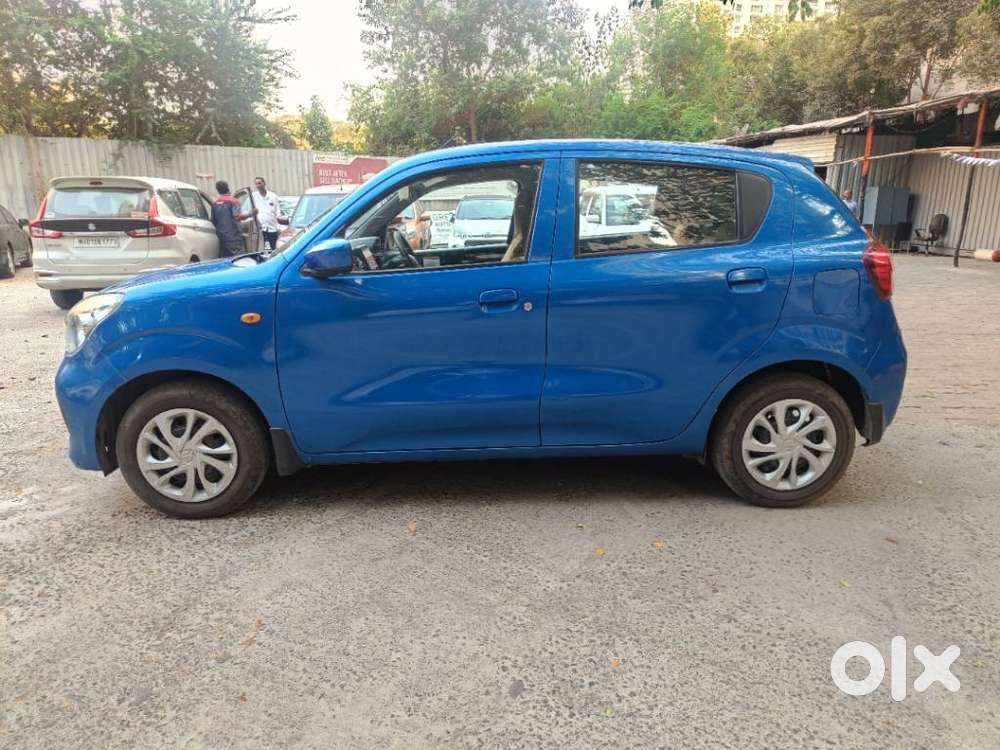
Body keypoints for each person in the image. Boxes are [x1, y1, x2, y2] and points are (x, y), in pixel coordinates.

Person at [211, 180, 256, 257]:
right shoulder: (234, 201)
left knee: (224, 259)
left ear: (218, 190)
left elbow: (213, 221)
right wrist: (250, 214)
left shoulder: (215, 203)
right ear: (228, 189)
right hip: (234, 237)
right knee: (238, 259)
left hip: (221, 237)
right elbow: (237, 217)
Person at [249, 176, 286, 252]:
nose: (258, 185)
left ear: (264, 183)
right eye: (256, 184)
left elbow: (277, 212)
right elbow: (250, 211)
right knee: (262, 250)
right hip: (260, 229)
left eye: (259, 183)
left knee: (274, 249)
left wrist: (279, 227)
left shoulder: (273, 196)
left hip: (272, 228)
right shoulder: (254, 196)